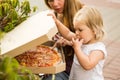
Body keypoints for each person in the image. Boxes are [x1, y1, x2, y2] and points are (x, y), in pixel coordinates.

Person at [49, 6, 107, 80]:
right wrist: (57, 22)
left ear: (94, 30)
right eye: (75, 29)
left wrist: (77, 48)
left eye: (80, 30)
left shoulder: (98, 49)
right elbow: (67, 33)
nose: (76, 33)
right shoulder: (82, 40)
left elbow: (87, 65)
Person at [42, 0, 83, 80]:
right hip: (58, 65)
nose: (55, 4)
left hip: (73, 71)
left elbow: (84, 42)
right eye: (51, 0)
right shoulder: (54, 14)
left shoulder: (84, 14)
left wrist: (69, 43)